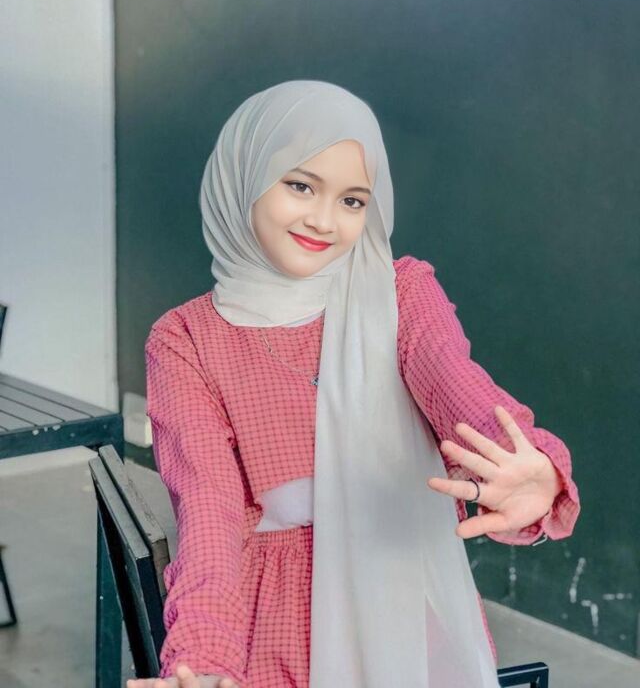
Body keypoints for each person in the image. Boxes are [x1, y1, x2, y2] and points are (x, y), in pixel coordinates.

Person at [128, 80, 580, 688]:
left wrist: (536, 466)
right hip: (275, 620)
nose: (324, 220)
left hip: (400, 601)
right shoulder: (186, 338)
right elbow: (210, 513)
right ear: (244, 175)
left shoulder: (399, 293)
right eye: (300, 185)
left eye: (352, 200)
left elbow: (456, 384)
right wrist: (203, 661)